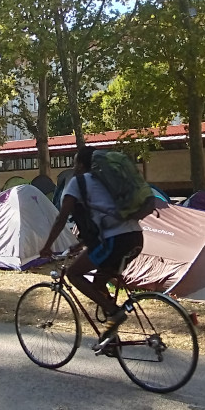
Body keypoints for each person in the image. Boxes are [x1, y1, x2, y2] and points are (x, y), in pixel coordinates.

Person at [39, 146, 143, 351]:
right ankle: (111, 339)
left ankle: (115, 312)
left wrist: (47, 246)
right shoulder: (106, 183)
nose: (74, 166)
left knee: (74, 274)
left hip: (114, 241)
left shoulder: (78, 183)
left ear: (81, 165)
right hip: (135, 237)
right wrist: (82, 243)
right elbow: (104, 217)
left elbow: (61, 217)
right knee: (98, 284)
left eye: (76, 162)